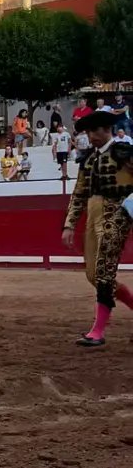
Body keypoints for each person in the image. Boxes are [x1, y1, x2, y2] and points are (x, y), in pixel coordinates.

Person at [61, 110, 133, 347]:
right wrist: (70, 224)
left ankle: (97, 331)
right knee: (93, 275)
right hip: (93, 216)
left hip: (117, 215)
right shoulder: (89, 159)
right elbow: (79, 194)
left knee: (103, 272)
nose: (91, 136)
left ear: (107, 130)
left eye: (94, 131)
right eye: (88, 132)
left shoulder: (124, 153)